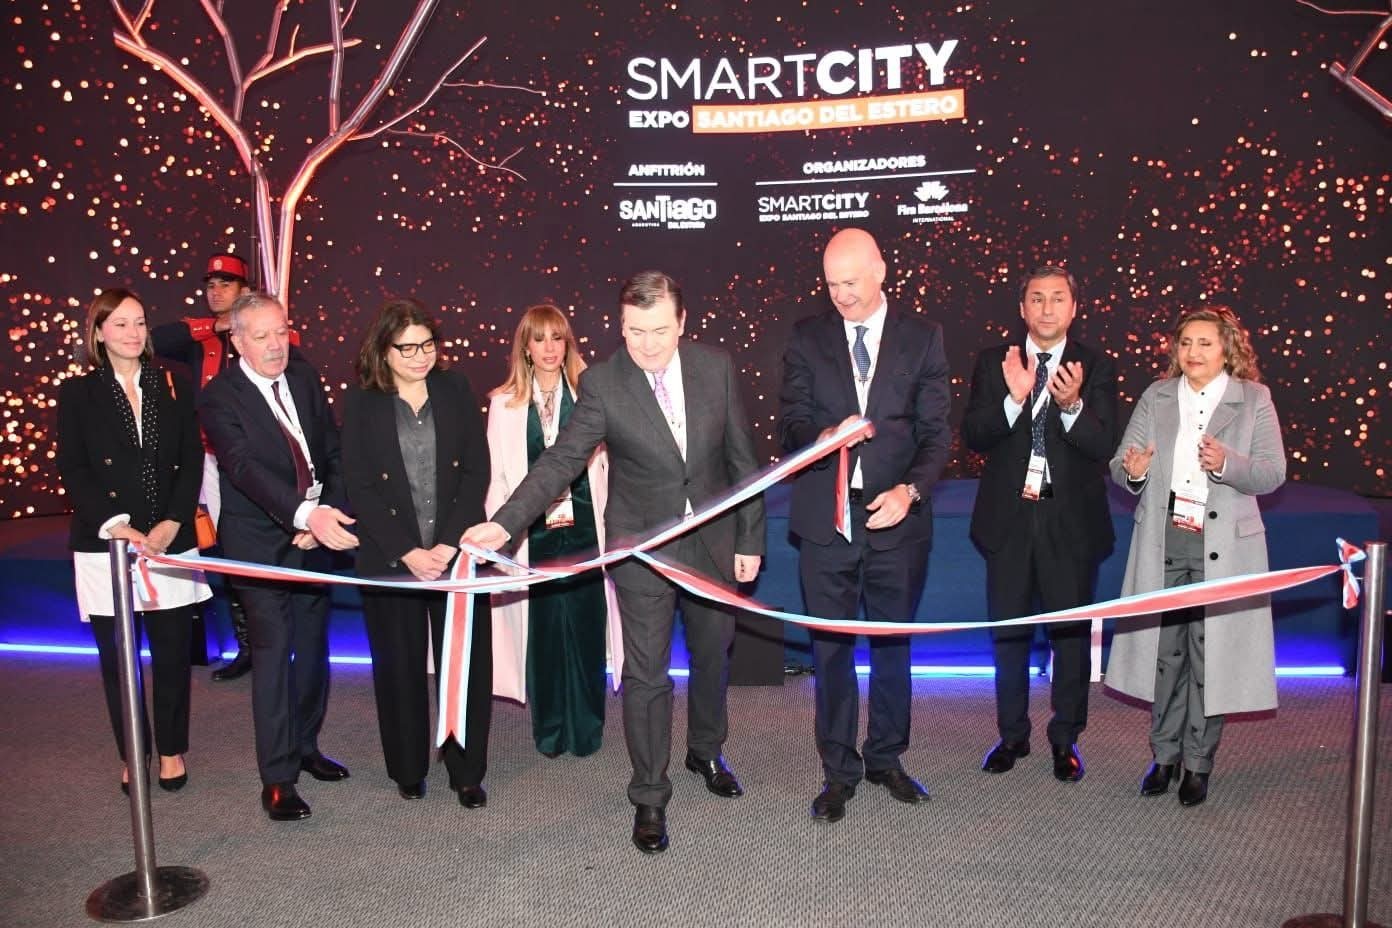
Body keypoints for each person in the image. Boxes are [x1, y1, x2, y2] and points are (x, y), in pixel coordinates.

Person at [464, 271, 765, 855]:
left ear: (681, 322)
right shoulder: (603, 383)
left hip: (713, 543)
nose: (647, 345)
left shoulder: (716, 368)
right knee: (646, 674)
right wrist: (504, 524)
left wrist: (750, 540)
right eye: (634, 331)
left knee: (712, 655)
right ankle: (649, 795)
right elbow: (560, 461)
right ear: (620, 326)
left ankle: (706, 750)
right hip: (640, 551)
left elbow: (742, 461)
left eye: (659, 331)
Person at [778, 228, 951, 824]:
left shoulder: (922, 337)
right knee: (830, 650)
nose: (841, 295)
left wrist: (911, 491)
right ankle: (838, 771)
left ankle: (886, 758)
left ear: (881, 271)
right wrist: (821, 439)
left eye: (850, 282)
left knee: (891, 644)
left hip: (895, 521)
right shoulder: (807, 337)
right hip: (826, 521)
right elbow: (792, 422)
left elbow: (936, 434)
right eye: (831, 284)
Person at [1107, 305, 1286, 807]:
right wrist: (1134, 470)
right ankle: (1163, 757)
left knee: (1212, 655)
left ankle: (1198, 763)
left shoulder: (1253, 398)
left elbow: (1272, 473)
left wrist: (1229, 463)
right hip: (1164, 539)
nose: (1193, 352)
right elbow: (1122, 463)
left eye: (1205, 343)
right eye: (1186, 342)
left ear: (1228, 348)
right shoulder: (1157, 395)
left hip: (1225, 546)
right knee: (1166, 654)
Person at [198, 291, 359, 821]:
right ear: (237, 340)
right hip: (260, 542)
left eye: (281, 332)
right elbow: (244, 469)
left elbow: (332, 451)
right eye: (261, 336)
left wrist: (327, 512)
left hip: (316, 534)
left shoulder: (305, 378)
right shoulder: (219, 397)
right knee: (273, 652)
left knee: (312, 648)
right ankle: (277, 777)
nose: (275, 345)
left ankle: (306, 746)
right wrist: (304, 517)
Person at [962, 266, 1117, 782]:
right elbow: (974, 435)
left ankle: (1065, 738)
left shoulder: (1096, 365)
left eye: (1057, 298)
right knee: (1008, 635)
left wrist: (1071, 407)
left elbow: (1103, 445)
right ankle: (1011, 735)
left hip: (1070, 525)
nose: (1047, 308)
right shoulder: (995, 362)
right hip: (1008, 522)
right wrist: (1013, 399)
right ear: (1022, 308)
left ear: (1074, 308)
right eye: (1036, 298)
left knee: (1069, 637)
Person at [57, 288, 211, 794]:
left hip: (168, 539)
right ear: (99, 332)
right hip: (107, 542)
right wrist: (115, 524)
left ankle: (171, 749)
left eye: (140, 322)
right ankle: (133, 752)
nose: (133, 332)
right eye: (120, 323)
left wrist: (172, 522)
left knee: (172, 652)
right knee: (118, 659)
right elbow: (73, 468)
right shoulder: (77, 394)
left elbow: (191, 459)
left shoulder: (173, 382)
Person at [341, 299, 493, 806]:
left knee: (464, 666)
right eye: (407, 348)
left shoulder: (455, 388)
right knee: (398, 666)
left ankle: (466, 771)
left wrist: (449, 544)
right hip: (391, 560)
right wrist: (407, 550)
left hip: (454, 556)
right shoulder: (362, 402)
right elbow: (359, 486)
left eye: (427, 345)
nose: (421, 356)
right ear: (383, 350)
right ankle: (407, 767)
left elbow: (476, 471)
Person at [484, 304, 622, 758]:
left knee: (586, 634)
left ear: (568, 343)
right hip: (532, 540)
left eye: (557, 338)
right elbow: (498, 479)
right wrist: (498, 537)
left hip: (586, 535)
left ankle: (586, 729)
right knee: (542, 638)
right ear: (525, 346)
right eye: (539, 339)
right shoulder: (503, 405)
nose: (549, 348)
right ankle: (550, 730)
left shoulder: (590, 393)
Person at [153, 252, 259, 681]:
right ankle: (245, 645)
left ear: (244, 290)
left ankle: (266, 643)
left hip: (249, 458)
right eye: (211, 285)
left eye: (225, 284)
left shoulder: (262, 332)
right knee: (218, 548)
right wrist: (213, 326)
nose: (215, 292)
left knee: (247, 546)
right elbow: (156, 340)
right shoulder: (199, 335)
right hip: (206, 458)